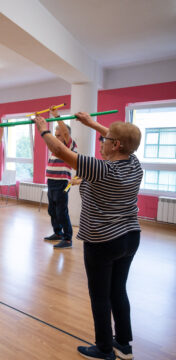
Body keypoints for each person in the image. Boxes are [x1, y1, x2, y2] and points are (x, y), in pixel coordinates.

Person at [34, 112, 142, 360]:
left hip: (103, 241)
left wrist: (43, 128)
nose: (101, 141)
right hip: (130, 237)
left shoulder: (100, 169)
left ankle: (104, 349)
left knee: (100, 296)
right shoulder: (135, 164)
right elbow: (119, 138)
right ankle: (123, 345)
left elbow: (61, 151)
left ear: (115, 145)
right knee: (118, 291)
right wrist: (91, 124)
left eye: (106, 139)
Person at [43, 106, 77, 249]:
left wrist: (57, 116)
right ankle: (58, 233)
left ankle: (68, 239)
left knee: (61, 211)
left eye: (59, 135)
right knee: (52, 210)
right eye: (55, 135)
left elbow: (64, 131)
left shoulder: (69, 146)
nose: (56, 138)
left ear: (65, 136)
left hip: (62, 183)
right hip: (51, 182)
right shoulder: (55, 148)